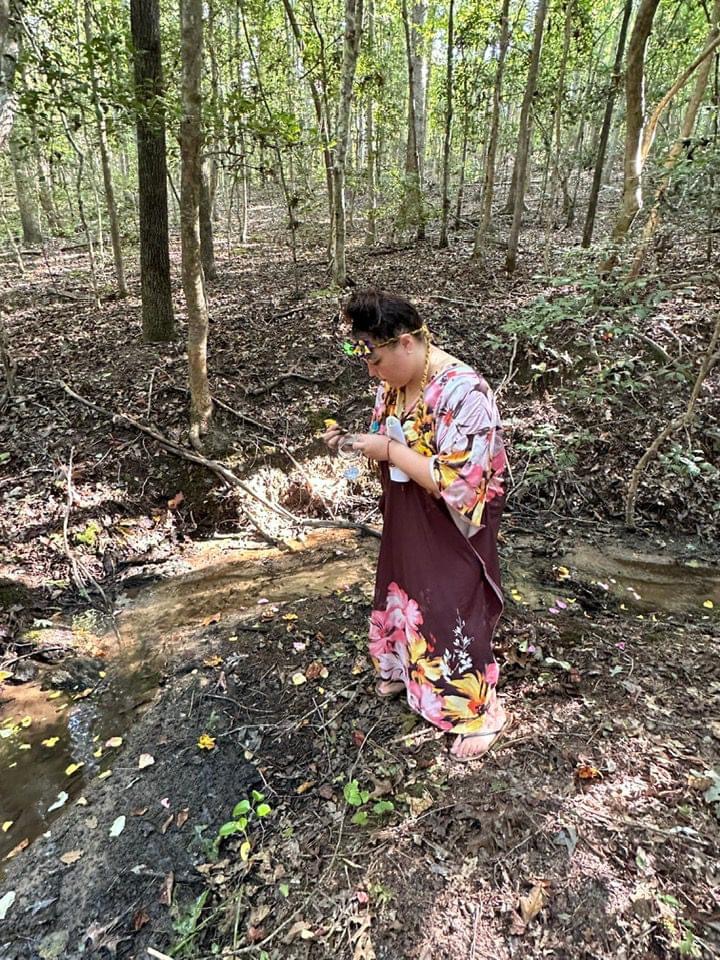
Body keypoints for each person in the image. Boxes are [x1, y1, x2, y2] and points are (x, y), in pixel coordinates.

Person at [325, 289, 508, 761]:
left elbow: (461, 482)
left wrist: (388, 451)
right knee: (404, 592)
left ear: (406, 342)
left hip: (452, 522)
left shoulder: (464, 391)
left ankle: (480, 712)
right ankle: (407, 673)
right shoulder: (393, 383)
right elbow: (387, 440)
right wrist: (350, 443)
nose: (372, 372)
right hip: (407, 513)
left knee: (450, 603)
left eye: (376, 360)